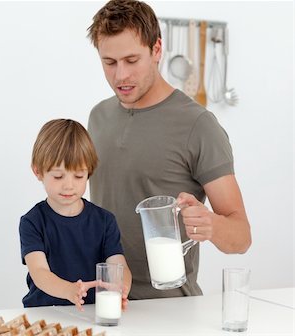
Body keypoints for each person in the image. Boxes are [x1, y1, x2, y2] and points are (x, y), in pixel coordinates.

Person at [86, 0, 252, 300]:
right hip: (104, 299)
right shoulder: (98, 117)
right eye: (109, 62)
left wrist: (211, 224)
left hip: (169, 308)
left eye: (131, 60)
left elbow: (241, 237)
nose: (120, 75)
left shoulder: (198, 125)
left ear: (157, 50)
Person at [19, 118, 132, 311]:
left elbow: (118, 265)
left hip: (92, 313)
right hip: (45, 313)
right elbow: (39, 272)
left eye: (78, 176)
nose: (69, 185)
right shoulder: (32, 222)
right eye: (58, 176)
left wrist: (120, 289)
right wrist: (70, 290)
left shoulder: (104, 221)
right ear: (37, 171)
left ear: (89, 172)